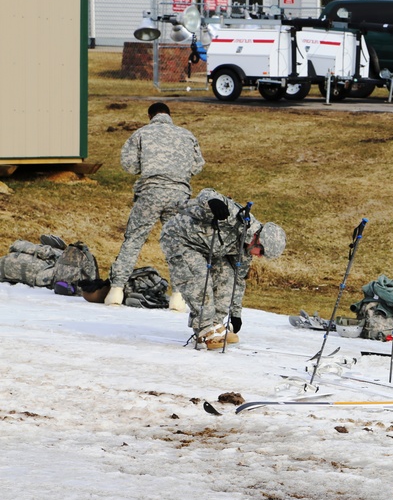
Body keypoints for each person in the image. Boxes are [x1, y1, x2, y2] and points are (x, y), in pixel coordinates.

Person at [106, 102, 205, 309]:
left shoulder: (142, 134)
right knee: (178, 245)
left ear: (150, 115)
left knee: (134, 239)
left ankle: (116, 290)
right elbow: (197, 166)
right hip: (180, 196)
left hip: (150, 193)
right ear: (169, 114)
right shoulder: (187, 135)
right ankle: (178, 296)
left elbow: (129, 165)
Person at [160, 188, 286, 350]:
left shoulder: (244, 249)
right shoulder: (236, 217)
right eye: (261, 252)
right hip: (179, 239)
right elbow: (207, 193)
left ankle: (214, 324)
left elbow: (238, 280)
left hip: (207, 248)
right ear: (258, 239)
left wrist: (236, 314)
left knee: (227, 277)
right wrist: (213, 203)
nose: (260, 256)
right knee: (198, 276)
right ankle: (204, 328)